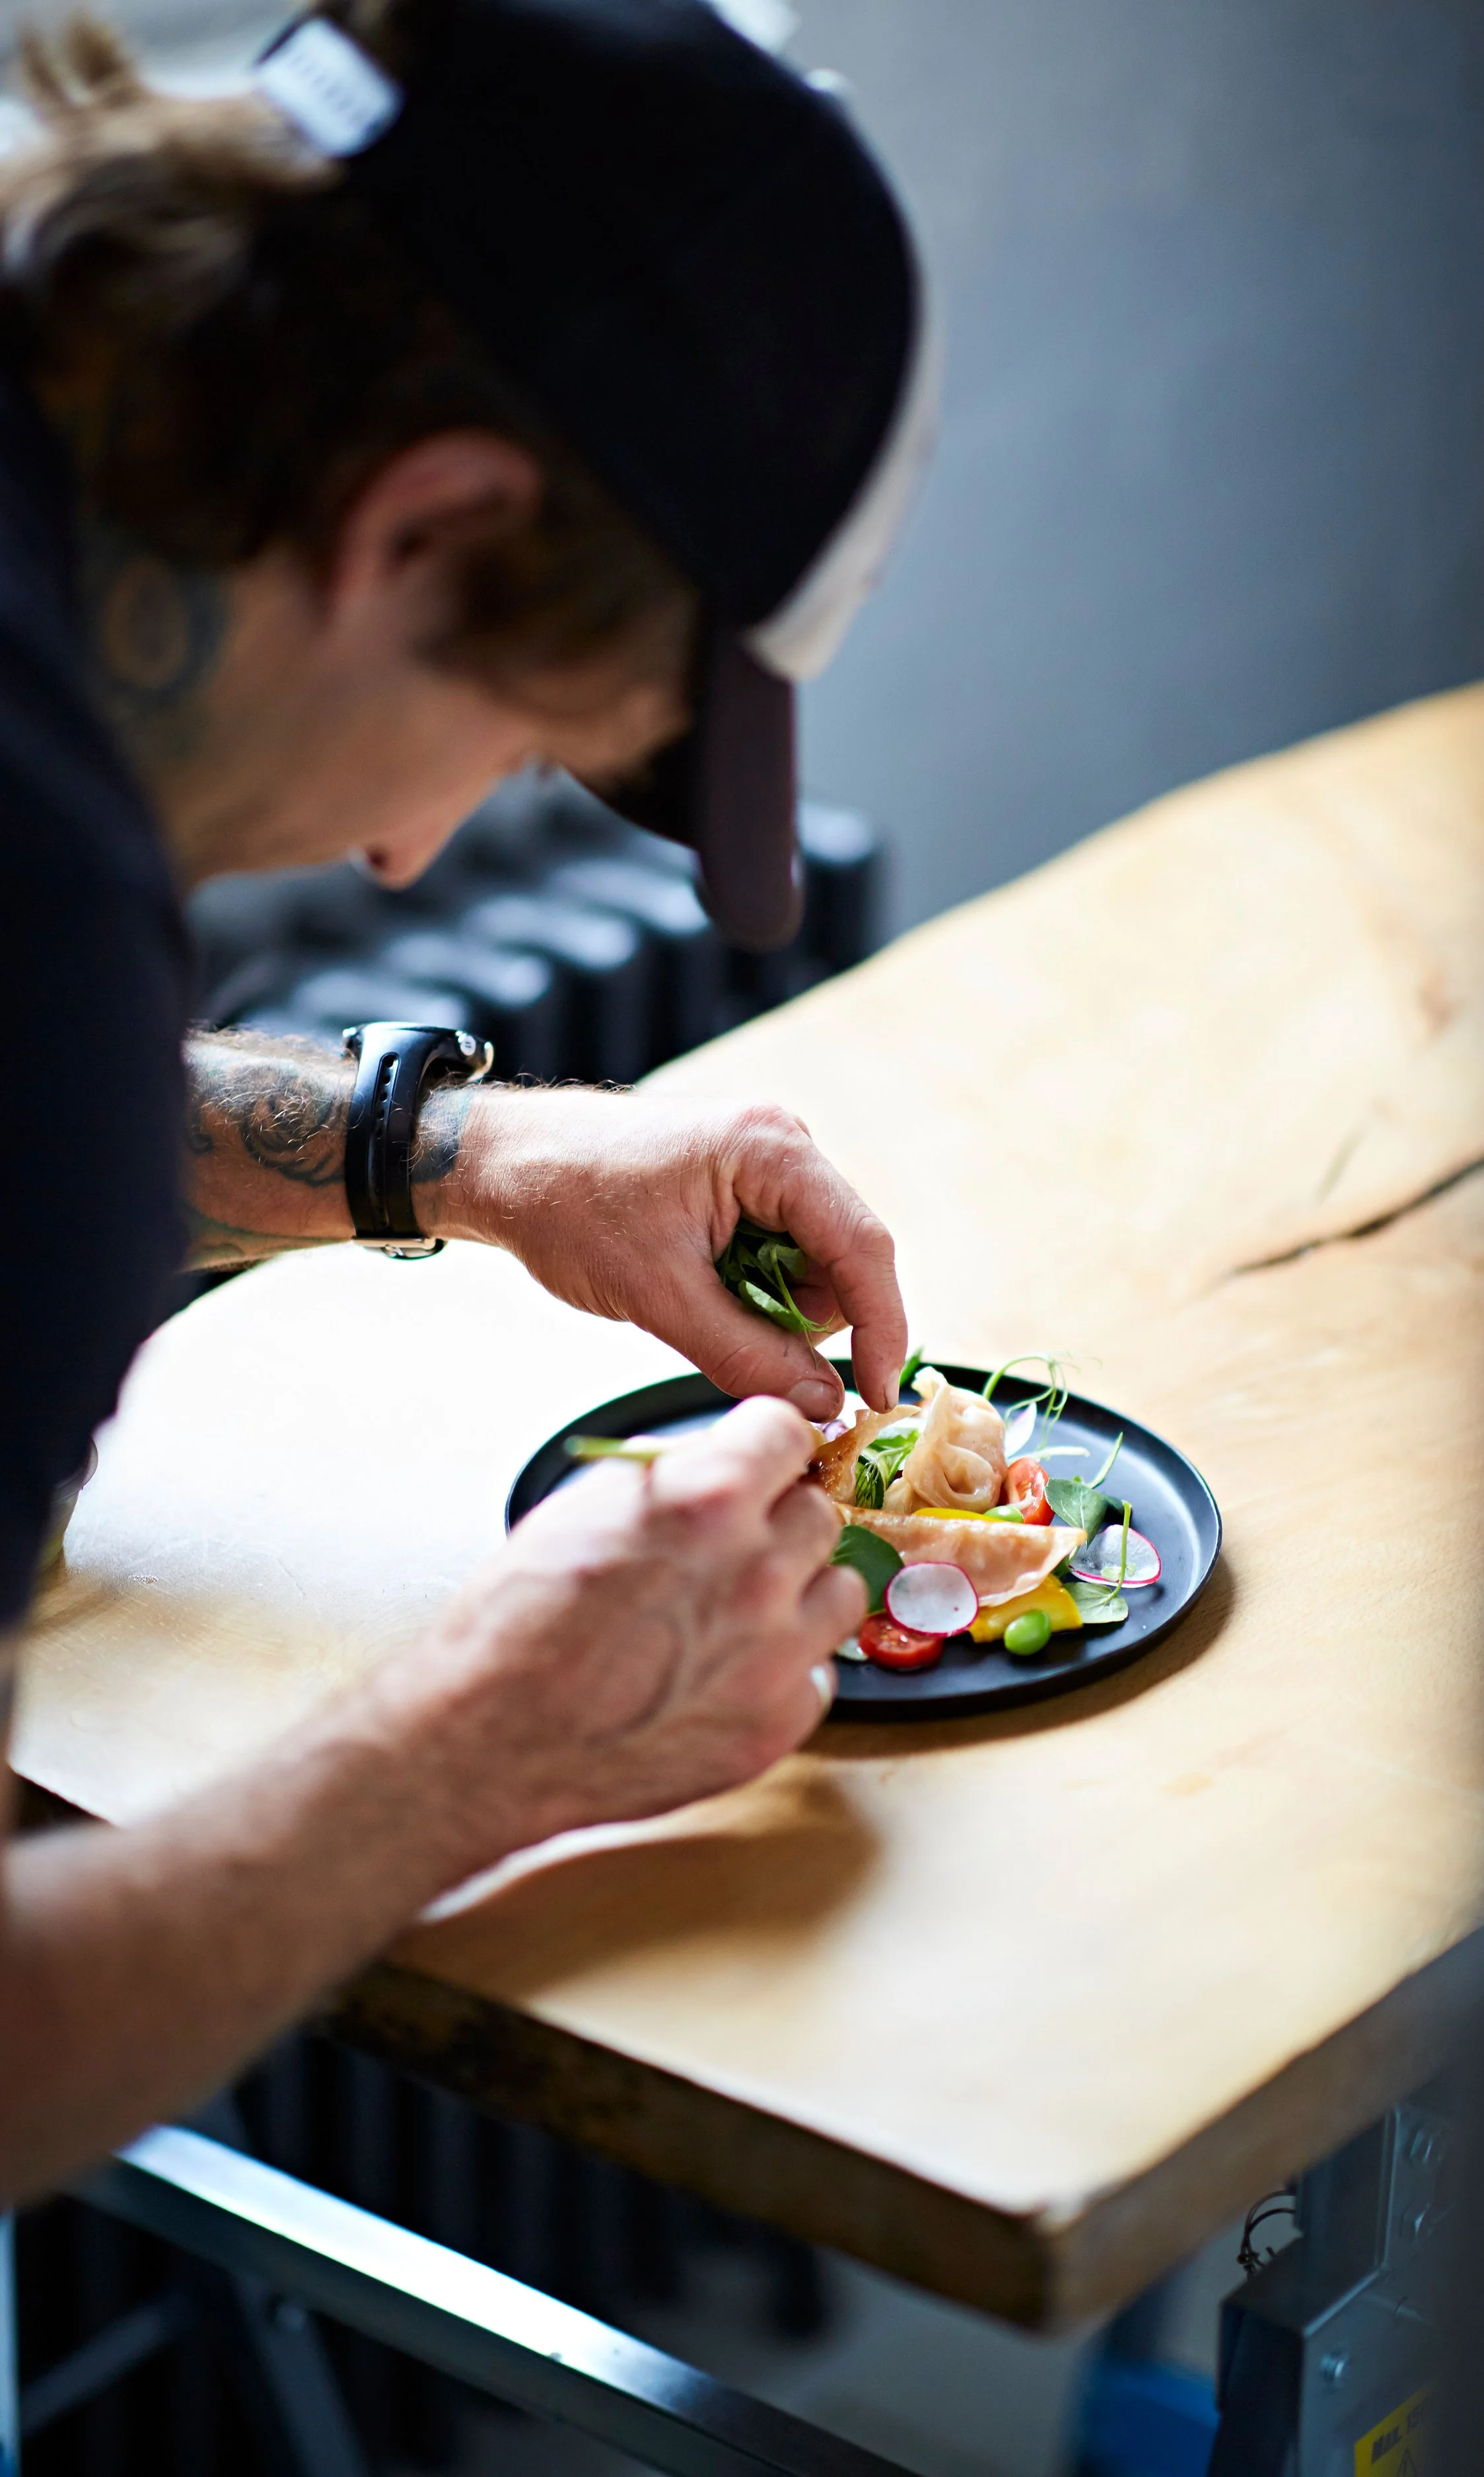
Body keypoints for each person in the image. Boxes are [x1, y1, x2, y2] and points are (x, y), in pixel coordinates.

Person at [0, 0, 933, 2200]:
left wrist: (466, 1152)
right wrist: (487, 1739)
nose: (410, 854)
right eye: (516, 738)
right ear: (425, 527)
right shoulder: (37, 899)